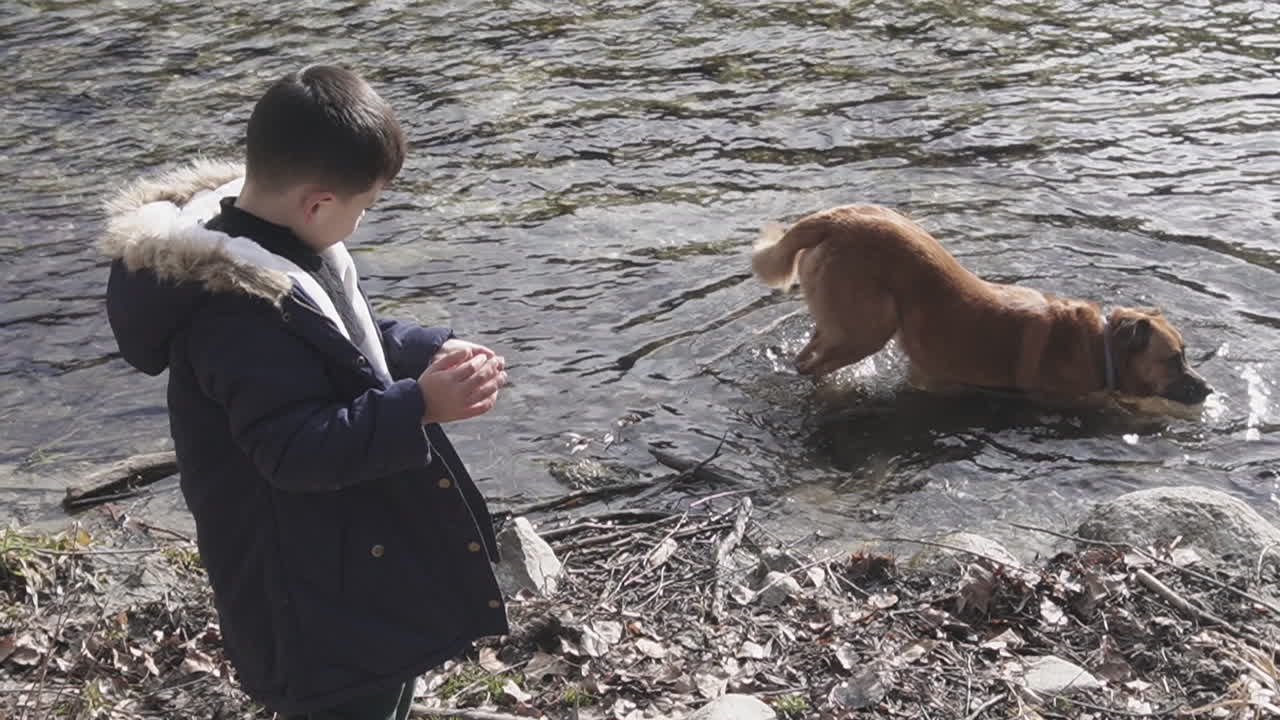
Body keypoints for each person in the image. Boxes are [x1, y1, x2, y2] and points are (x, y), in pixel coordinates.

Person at [103, 65, 510, 719]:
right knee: (352, 701)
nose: (362, 221)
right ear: (318, 202)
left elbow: (342, 340)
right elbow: (292, 449)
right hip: (304, 594)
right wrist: (421, 405)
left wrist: (424, 350)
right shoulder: (230, 313)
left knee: (390, 677)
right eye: (365, 207)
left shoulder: (278, 239)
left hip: (346, 562)